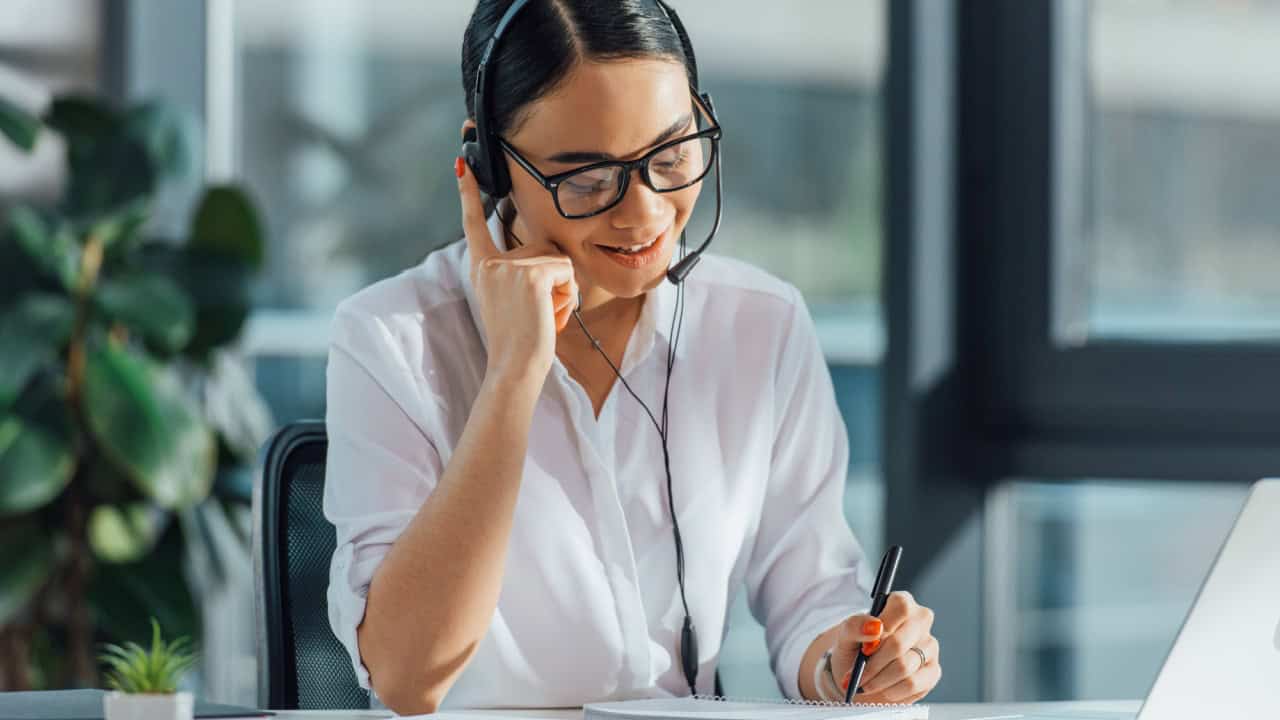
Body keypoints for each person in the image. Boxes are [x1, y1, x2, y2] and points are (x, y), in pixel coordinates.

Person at [323, 0, 941, 714]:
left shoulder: (759, 324)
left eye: (671, 157)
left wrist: (850, 663)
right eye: (586, 179)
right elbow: (405, 677)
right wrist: (513, 376)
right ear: (487, 163)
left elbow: (812, 594)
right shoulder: (389, 338)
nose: (643, 213)